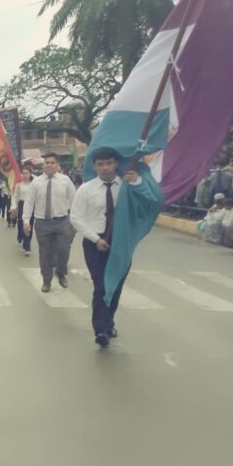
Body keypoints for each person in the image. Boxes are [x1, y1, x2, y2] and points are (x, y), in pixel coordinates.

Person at [70, 148, 143, 348]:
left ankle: (108, 322)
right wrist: (95, 239)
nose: (105, 168)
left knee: (116, 286)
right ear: (94, 166)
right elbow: (75, 217)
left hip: (120, 244)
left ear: (116, 164)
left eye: (109, 163)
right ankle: (101, 329)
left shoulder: (126, 185)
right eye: (100, 164)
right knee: (101, 286)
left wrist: (137, 182)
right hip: (95, 244)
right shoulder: (85, 189)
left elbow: (145, 203)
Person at [23, 152, 76, 292]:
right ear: (43, 165)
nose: (49, 165)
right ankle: (46, 280)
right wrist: (26, 221)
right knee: (45, 253)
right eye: (47, 162)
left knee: (63, 250)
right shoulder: (36, 182)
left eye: (52, 162)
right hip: (42, 223)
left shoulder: (66, 180)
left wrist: (75, 222)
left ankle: (61, 272)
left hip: (62, 221)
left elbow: (74, 201)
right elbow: (29, 202)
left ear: (58, 165)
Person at [11, 166, 35, 256]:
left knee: (30, 224)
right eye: (23, 173)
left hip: (32, 206)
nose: (24, 175)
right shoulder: (19, 185)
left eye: (26, 173)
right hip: (22, 205)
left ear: (30, 174)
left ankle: (27, 245)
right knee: (21, 222)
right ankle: (20, 235)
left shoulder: (34, 185)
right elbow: (15, 197)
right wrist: (14, 207)